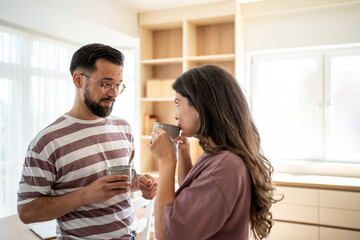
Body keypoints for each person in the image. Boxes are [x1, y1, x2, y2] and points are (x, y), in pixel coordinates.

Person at [17, 43, 157, 240]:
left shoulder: (123, 127)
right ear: (78, 79)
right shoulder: (47, 142)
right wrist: (85, 195)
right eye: (106, 83)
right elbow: (26, 211)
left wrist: (139, 182)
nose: (114, 93)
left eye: (118, 85)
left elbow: (125, 182)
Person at [148, 65, 280, 240]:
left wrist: (166, 161)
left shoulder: (225, 166)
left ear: (202, 106)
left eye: (178, 104)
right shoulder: (219, 153)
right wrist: (183, 154)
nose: (175, 115)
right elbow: (193, 195)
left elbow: (167, 235)